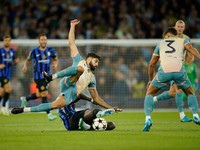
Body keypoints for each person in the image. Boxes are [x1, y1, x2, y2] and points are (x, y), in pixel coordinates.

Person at [11, 19, 121, 116]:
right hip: (67, 82)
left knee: (55, 105)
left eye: (98, 63)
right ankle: (52, 77)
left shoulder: (92, 78)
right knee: (80, 69)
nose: (97, 64)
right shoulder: (80, 60)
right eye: (96, 61)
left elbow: (96, 98)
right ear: (89, 58)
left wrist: (111, 108)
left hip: (72, 92)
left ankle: (24, 110)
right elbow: (72, 43)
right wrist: (72, 26)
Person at [143, 27, 200, 132]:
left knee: (149, 93)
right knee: (190, 92)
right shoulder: (182, 40)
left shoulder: (161, 43)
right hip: (179, 72)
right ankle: (196, 115)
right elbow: (190, 49)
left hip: (164, 71)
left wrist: (151, 80)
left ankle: (148, 119)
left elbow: (151, 64)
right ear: (176, 35)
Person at [153, 20, 194, 122]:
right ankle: (182, 115)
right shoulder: (169, 38)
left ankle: (154, 99)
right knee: (179, 91)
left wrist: (191, 57)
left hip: (181, 68)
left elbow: (189, 50)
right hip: (171, 67)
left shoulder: (186, 38)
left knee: (172, 93)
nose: (179, 28)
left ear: (184, 28)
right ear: (175, 27)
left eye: (181, 27)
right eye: (178, 26)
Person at [19, 33, 58, 121]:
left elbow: (55, 59)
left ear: (46, 40)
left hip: (47, 77)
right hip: (38, 76)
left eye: (45, 39)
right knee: (44, 94)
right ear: (39, 41)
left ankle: (25, 99)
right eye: (42, 40)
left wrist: (55, 65)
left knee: (40, 94)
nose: (43, 41)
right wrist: (25, 66)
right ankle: (49, 114)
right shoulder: (34, 51)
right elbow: (28, 60)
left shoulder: (51, 50)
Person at [0, 35, 19, 115]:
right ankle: (3, 107)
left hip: (8, 74)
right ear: (3, 41)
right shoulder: (0, 51)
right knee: (9, 89)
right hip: (1, 74)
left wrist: (16, 61)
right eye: (5, 40)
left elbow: (15, 60)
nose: (7, 42)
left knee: (2, 91)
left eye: (8, 40)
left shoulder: (12, 51)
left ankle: (2, 107)